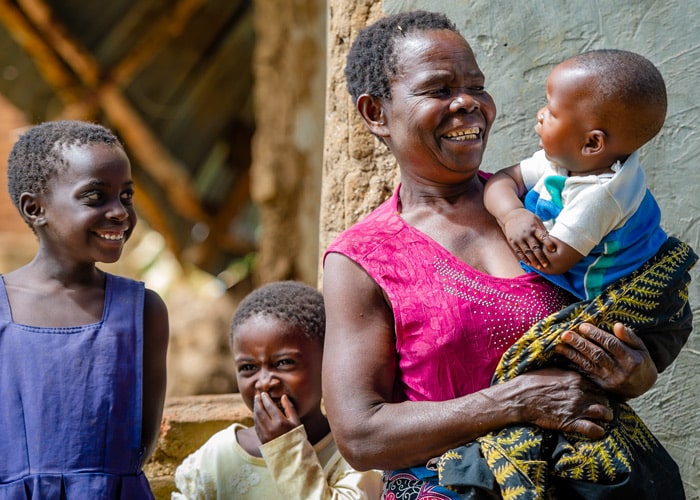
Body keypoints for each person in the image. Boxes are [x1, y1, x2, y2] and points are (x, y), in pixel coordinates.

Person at [321, 10, 693, 500]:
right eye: (439, 90)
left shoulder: (555, 212)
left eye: (477, 86)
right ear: (376, 113)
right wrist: (514, 401)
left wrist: (634, 372)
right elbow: (361, 434)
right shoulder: (364, 259)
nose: (468, 104)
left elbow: (635, 311)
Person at [0, 120, 169, 498]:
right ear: (34, 208)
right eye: (96, 197)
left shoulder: (143, 312)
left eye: (126, 196)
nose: (120, 212)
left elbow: (138, 447)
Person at [483, 49, 669, 300]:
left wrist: (501, 226)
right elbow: (504, 179)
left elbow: (551, 260)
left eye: (552, 111)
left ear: (592, 143)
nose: (540, 114)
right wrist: (511, 214)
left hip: (599, 299)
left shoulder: (599, 196)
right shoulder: (572, 160)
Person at [172, 281, 383, 499]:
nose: (264, 382)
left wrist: (286, 449)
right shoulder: (216, 458)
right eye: (248, 368)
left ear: (327, 363)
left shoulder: (353, 457)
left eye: (284, 363)